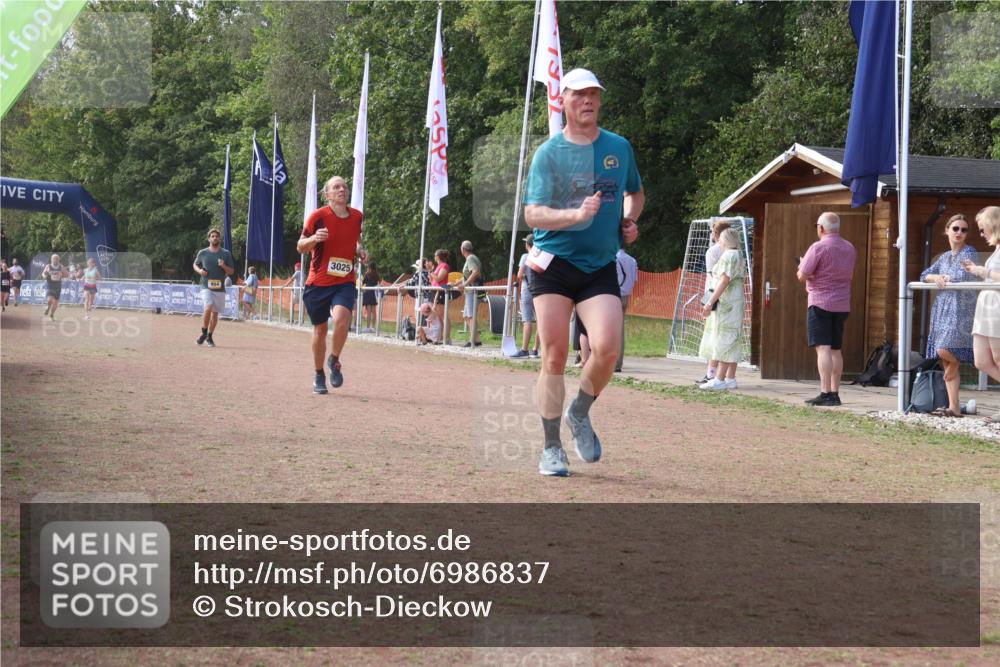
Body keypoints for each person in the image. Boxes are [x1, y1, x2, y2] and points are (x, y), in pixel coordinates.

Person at [523, 67, 644, 477]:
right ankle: (551, 447)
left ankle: (580, 411)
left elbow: (635, 191)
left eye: (593, 94)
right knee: (554, 355)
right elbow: (532, 213)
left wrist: (629, 220)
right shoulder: (549, 153)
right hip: (554, 266)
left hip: (599, 267)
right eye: (578, 95)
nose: (587, 100)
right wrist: (575, 215)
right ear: (563, 101)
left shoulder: (618, 147)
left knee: (608, 348)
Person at [297, 175, 366, 394]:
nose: (342, 189)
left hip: (344, 281)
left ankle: (334, 360)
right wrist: (315, 238)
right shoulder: (318, 216)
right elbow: (300, 246)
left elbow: (355, 239)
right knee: (320, 329)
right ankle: (319, 374)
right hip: (318, 282)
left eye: (344, 186)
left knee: (342, 319)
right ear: (327, 194)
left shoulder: (356, 216)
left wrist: (359, 251)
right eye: (336, 187)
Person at [797, 212, 857, 407]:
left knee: (822, 348)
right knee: (835, 349)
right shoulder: (849, 248)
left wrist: (800, 266)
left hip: (820, 301)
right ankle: (835, 392)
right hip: (842, 303)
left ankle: (825, 392)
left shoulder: (818, 247)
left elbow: (802, 274)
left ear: (820, 228)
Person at [960, 206, 1000, 422]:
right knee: (981, 361)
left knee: (998, 358)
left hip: (996, 307)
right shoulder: (996, 249)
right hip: (986, 307)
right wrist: (977, 270)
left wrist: (982, 271)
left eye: (983, 229)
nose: (982, 233)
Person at [697, 228, 745, 389]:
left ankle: (719, 379)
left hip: (727, 303)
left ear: (723, 241)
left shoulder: (728, 255)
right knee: (732, 336)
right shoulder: (738, 254)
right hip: (736, 301)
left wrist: (710, 301)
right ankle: (730, 377)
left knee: (723, 337)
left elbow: (724, 280)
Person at [695, 219, 732, 384]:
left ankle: (711, 374)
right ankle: (726, 375)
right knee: (725, 336)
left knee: (713, 335)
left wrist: (710, 301)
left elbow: (715, 277)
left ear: (717, 234)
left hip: (714, 294)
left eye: (713, 232)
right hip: (727, 296)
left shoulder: (714, 252)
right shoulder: (734, 252)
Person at [193, 228, 235, 347]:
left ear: (219, 238)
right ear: (209, 238)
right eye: (212, 236)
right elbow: (195, 264)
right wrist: (200, 271)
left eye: (216, 236)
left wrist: (224, 266)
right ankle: (204, 332)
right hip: (206, 286)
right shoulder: (203, 252)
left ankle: (209, 336)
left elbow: (231, 271)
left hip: (220, 288)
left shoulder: (226, 253)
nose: (214, 238)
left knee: (215, 314)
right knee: (208, 306)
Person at [449, 240, 483, 347]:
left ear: (462, 249)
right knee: (467, 316)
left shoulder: (470, 258)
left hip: (473, 291)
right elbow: (466, 276)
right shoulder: (470, 258)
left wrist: (465, 284)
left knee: (470, 316)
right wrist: (455, 283)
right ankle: (476, 339)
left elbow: (476, 272)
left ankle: (473, 340)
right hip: (470, 291)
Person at [512, 235, 540, 358]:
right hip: (539, 292)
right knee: (540, 321)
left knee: (527, 320)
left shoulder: (525, 256)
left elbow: (519, 274)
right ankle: (535, 350)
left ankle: (524, 349)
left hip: (527, 291)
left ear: (527, 245)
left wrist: (526, 277)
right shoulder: (541, 257)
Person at [615, 247, 638, 372]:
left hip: (614, 295)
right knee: (620, 330)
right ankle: (618, 363)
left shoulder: (613, 258)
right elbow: (634, 279)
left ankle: (609, 362)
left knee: (609, 329)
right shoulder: (632, 260)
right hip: (626, 295)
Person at [41, 253, 68, 320]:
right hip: (50, 285)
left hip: (58, 286)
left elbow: (67, 274)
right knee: (50, 300)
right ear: (51, 259)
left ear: (58, 259)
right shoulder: (48, 266)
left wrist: (61, 275)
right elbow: (43, 274)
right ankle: (48, 307)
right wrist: (45, 276)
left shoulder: (61, 267)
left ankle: (52, 314)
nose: (55, 260)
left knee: (56, 303)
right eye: (54, 259)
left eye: (57, 259)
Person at [361, 261, 380, 333]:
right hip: (374, 292)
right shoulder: (377, 275)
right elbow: (378, 282)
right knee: (374, 311)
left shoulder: (367, 274)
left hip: (368, 292)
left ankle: (368, 327)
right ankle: (373, 327)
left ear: (369, 267)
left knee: (368, 311)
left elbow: (363, 283)